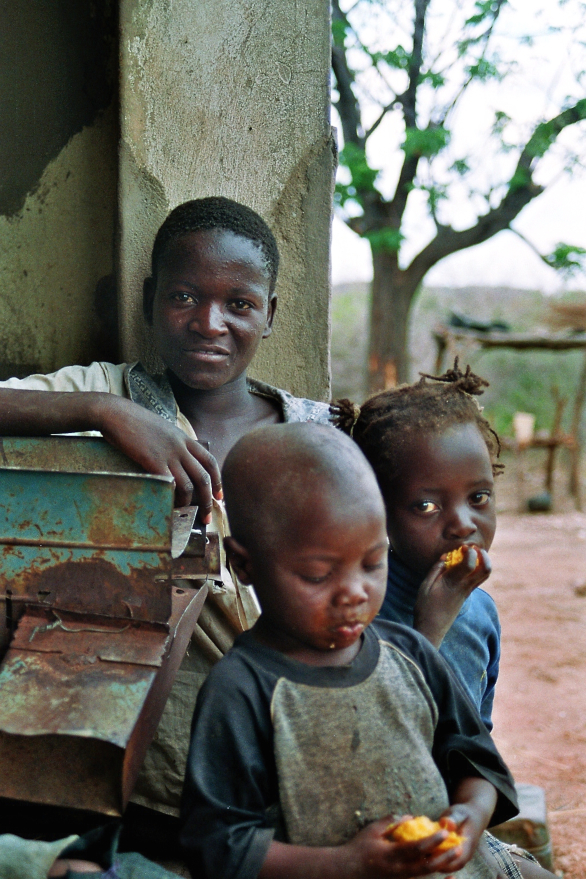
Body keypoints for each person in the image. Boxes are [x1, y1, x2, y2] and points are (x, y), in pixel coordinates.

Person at [0, 197, 330, 875]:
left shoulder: (320, 436)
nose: (209, 322)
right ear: (151, 300)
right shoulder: (106, 389)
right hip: (155, 770)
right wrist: (103, 412)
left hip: (290, 758)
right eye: (184, 295)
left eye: (238, 303)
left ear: (270, 313)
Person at [180, 422, 520, 879]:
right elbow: (219, 845)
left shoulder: (412, 654)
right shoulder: (242, 690)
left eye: (372, 563)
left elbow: (477, 765)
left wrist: (469, 820)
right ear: (244, 563)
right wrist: (346, 863)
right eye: (319, 576)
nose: (354, 593)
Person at [331, 362, 557, 879]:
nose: (463, 524)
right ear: (377, 510)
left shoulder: (480, 610)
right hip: (363, 838)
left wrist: (470, 817)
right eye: (427, 505)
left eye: (478, 498)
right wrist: (428, 629)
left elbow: (472, 740)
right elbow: (357, 745)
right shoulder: (351, 607)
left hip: (446, 827)